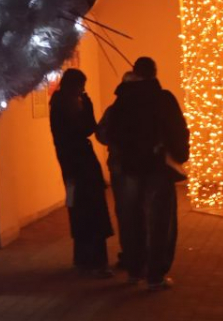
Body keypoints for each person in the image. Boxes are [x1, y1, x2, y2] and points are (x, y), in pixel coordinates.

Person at [98, 56, 189, 289]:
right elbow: (178, 129)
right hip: (157, 165)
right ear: (154, 73)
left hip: (126, 168)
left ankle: (134, 269)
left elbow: (105, 133)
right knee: (160, 220)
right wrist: (179, 155)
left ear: (135, 72)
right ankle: (155, 274)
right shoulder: (163, 99)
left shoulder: (121, 101)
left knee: (130, 218)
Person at [49, 68, 114, 275]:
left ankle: (83, 259)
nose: (82, 91)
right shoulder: (66, 107)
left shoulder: (58, 104)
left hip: (71, 169)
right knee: (92, 212)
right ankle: (96, 262)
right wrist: (88, 107)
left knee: (78, 210)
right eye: (81, 86)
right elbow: (86, 128)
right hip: (81, 167)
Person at [96, 70, 139, 269]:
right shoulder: (145, 108)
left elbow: (101, 134)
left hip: (120, 165)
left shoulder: (114, 109)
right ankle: (140, 255)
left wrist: (115, 142)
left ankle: (130, 255)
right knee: (140, 212)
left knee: (125, 212)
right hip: (139, 166)